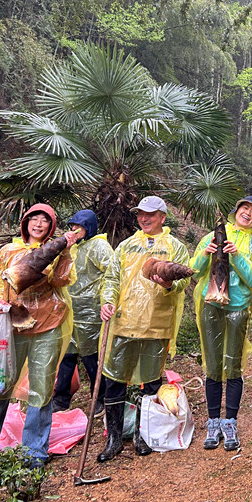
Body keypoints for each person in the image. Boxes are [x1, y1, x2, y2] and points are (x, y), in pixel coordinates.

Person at [0, 203, 82, 471]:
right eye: (34, 219)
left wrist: (64, 251)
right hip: (12, 326)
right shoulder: (8, 250)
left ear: (51, 226)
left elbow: (63, 281)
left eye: (44, 220)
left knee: (41, 392)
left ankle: (34, 455)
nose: (38, 224)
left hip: (47, 324)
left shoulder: (55, 251)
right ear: (25, 222)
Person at [96, 196, 190, 461]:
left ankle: (143, 434)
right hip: (123, 322)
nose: (143, 218)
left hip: (155, 324)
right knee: (114, 379)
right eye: (140, 214)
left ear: (162, 216)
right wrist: (107, 301)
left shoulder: (175, 247)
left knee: (149, 382)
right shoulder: (126, 245)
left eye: (150, 214)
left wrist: (169, 285)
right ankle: (114, 437)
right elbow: (112, 277)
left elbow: (182, 283)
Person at [191, 195, 252, 452]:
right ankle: (213, 421)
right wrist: (205, 253)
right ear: (236, 210)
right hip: (211, 306)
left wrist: (236, 256)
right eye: (244, 208)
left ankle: (230, 421)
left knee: (233, 365)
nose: (247, 213)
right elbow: (195, 269)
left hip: (238, 308)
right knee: (213, 364)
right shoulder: (213, 234)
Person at [51, 210, 114, 417]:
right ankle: (61, 399)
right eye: (72, 226)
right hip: (70, 311)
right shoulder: (73, 247)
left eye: (79, 226)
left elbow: (112, 273)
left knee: (91, 357)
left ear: (89, 227)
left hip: (91, 312)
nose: (74, 230)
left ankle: (100, 399)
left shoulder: (99, 246)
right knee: (67, 357)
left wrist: (105, 301)